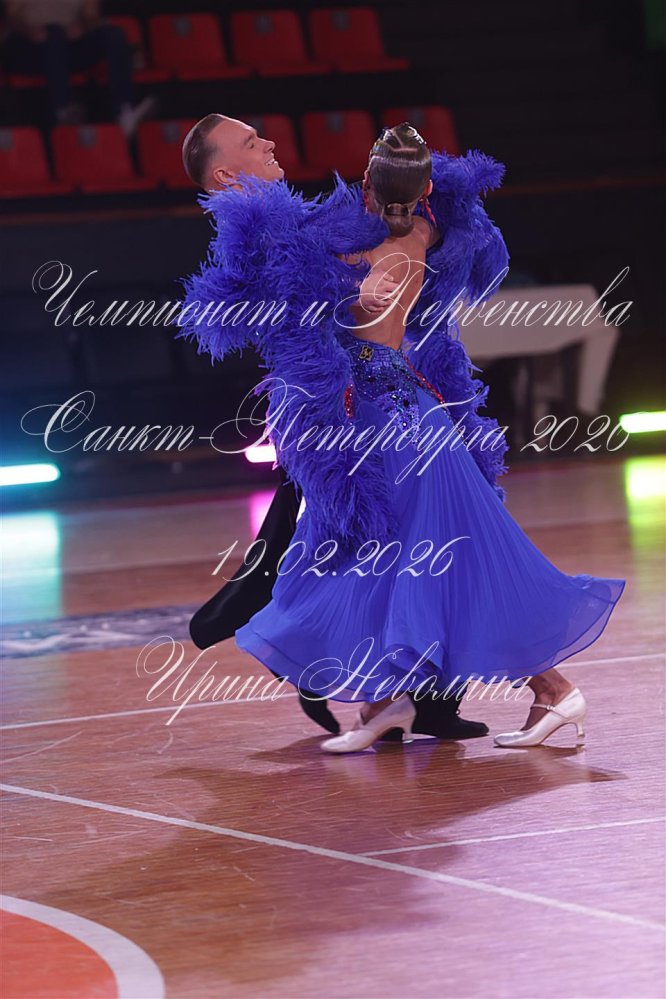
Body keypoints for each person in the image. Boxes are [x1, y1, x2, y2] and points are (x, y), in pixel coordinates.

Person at [180, 119, 625, 753]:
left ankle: (549, 689)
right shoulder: (381, 231)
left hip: (392, 416)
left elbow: (301, 311)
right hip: (381, 411)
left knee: (434, 555)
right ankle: (387, 701)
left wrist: (347, 294)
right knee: (384, 553)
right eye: (254, 142)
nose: (272, 143)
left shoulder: (345, 241)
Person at [180, 113, 489, 742]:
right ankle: (372, 691)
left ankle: (399, 699)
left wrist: (400, 196)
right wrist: (352, 290)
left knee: (395, 541)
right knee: (352, 547)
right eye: (251, 142)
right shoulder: (254, 231)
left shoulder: (300, 219)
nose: (270, 142)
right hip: (338, 412)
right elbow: (284, 312)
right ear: (225, 175)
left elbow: (354, 264)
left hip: (372, 402)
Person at [1, 0, 154, 133]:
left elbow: (91, 15)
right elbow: (12, 16)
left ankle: (125, 112)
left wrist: (82, 27)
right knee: (55, 34)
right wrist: (30, 32)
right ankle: (62, 109)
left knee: (114, 35)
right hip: (28, 46)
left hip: (68, 45)